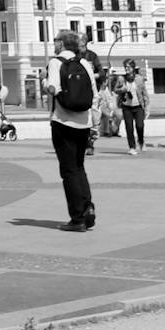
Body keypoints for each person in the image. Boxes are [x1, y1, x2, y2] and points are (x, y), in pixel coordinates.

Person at [45, 30, 97, 232]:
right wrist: (92, 122)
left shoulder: (56, 63)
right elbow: (92, 93)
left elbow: (53, 89)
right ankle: (87, 208)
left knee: (68, 171)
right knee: (79, 166)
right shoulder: (85, 64)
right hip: (83, 122)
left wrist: (45, 83)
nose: (54, 43)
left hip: (63, 121)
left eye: (56, 40)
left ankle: (77, 218)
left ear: (62, 43)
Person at [118, 60, 150, 154]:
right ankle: (132, 147)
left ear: (133, 68)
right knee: (129, 127)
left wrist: (147, 106)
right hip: (127, 106)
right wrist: (121, 90)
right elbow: (116, 89)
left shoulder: (139, 79)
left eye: (128, 67)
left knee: (140, 125)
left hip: (138, 106)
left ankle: (141, 141)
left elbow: (144, 93)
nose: (126, 68)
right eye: (125, 67)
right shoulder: (121, 79)